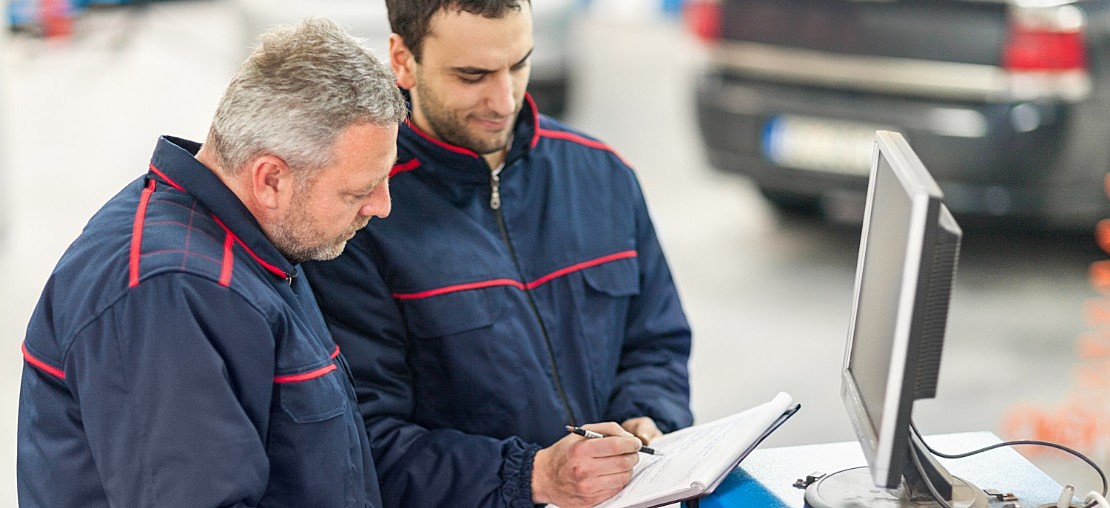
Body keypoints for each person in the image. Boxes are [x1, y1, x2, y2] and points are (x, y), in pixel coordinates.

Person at [301, 1, 694, 506]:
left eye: (519, 64)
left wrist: (648, 419)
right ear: (402, 59)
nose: (505, 99)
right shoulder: (359, 216)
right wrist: (532, 475)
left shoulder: (603, 174)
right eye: (472, 75)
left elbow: (656, 342)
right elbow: (362, 442)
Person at [17, 18, 406, 507]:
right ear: (270, 179)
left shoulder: (254, 249)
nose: (382, 206)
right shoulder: (169, 291)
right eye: (359, 190)